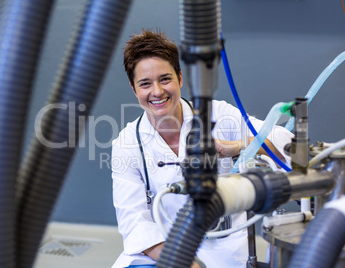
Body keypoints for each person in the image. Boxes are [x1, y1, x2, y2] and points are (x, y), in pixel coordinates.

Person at [111, 29, 293, 268]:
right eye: (145, 84)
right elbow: (135, 223)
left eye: (165, 79)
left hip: (223, 249)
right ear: (134, 89)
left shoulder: (219, 115)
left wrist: (238, 147)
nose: (156, 91)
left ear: (180, 78)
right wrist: (186, 263)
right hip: (163, 252)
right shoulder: (126, 144)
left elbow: (287, 145)